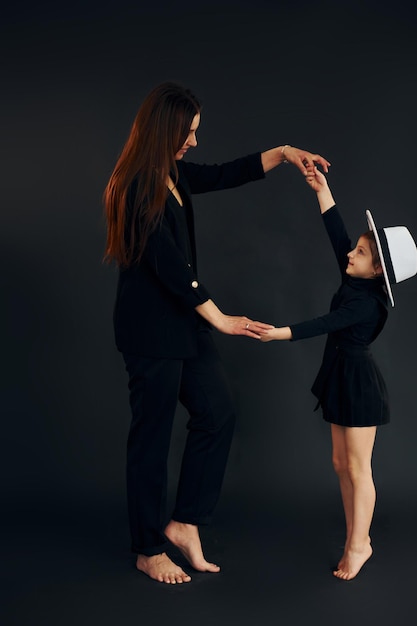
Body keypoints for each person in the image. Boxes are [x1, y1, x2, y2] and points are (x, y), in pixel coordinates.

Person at [103, 81, 330, 584]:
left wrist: (285, 153)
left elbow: (228, 173)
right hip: (149, 334)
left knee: (218, 412)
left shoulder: (171, 173)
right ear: (166, 129)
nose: (194, 142)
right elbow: (168, 264)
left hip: (182, 324)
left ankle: (185, 522)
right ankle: (146, 547)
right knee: (152, 441)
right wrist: (221, 318)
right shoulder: (138, 184)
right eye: (189, 133)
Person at [261, 164, 417, 580]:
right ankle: (356, 536)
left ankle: (358, 545)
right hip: (340, 377)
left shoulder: (367, 303)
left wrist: (279, 334)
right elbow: (337, 238)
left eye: (361, 253)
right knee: (339, 463)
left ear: (379, 270)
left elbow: (325, 325)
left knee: (358, 467)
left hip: (360, 385)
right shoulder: (356, 278)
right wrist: (321, 190)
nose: (351, 253)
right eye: (357, 249)